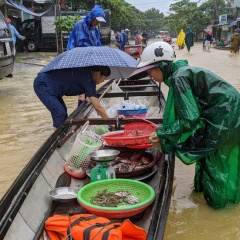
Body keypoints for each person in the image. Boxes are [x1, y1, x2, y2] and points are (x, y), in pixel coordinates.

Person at [128, 41, 240, 209]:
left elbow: (189, 118)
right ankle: (207, 200)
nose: (150, 76)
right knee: (207, 157)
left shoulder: (180, 78)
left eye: (150, 71)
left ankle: (221, 208)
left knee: (217, 163)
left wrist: (163, 134)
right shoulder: (180, 74)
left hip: (225, 116)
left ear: (161, 66)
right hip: (222, 113)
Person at [33, 66, 111, 130]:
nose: (103, 81)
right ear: (98, 74)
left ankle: (59, 132)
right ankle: (57, 139)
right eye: (104, 78)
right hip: (43, 84)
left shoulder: (87, 75)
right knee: (60, 113)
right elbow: (98, 107)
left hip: (55, 89)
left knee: (63, 113)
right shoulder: (88, 80)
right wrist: (111, 123)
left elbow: (78, 81)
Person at [66, 5, 106, 106]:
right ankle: (82, 104)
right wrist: (94, 50)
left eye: (99, 21)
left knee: (91, 81)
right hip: (78, 58)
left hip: (91, 59)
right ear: (92, 17)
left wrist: (101, 53)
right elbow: (81, 43)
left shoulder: (95, 30)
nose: (97, 22)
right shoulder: (80, 25)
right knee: (82, 85)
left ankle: (89, 99)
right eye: (96, 20)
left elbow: (98, 43)